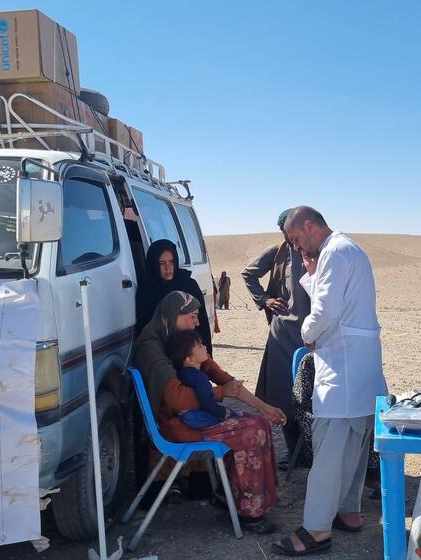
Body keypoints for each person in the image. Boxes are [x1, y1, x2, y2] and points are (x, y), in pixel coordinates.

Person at [273, 206, 387, 556]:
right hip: (361, 371)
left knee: (327, 453)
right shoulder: (348, 249)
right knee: (352, 446)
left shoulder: (335, 253)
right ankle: (348, 511)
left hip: (342, 371)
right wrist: (310, 273)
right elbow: (336, 297)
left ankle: (316, 529)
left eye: (295, 238)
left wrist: (307, 334)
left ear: (309, 226)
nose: (296, 247)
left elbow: (325, 312)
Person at [134, 291, 286, 532]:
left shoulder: (184, 343)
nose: (197, 322)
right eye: (193, 317)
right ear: (174, 315)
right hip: (176, 426)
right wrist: (219, 393)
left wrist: (265, 409)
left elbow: (226, 380)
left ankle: (231, 498)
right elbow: (177, 398)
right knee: (251, 431)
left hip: (192, 419)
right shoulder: (151, 348)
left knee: (259, 422)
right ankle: (249, 513)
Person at [241, 208, 311, 463]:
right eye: (286, 232)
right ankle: (296, 452)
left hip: (314, 334)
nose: (290, 237)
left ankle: (314, 450)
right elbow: (248, 273)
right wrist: (265, 299)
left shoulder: (316, 250)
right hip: (283, 335)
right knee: (284, 393)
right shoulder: (279, 251)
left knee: (313, 395)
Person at [135, 239, 212, 354]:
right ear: (153, 264)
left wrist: (206, 359)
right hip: (160, 354)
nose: (168, 268)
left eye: (172, 262)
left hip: (189, 353)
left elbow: (202, 325)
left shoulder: (187, 284)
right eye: (162, 263)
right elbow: (144, 329)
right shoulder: (146, 289)